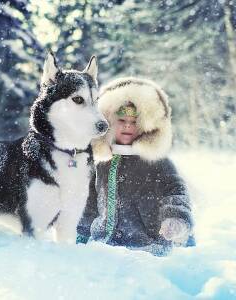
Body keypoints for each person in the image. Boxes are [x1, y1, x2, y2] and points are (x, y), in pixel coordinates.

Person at [77, 77, 195, 256]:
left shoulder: (155, 160)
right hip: (104, 248)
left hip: (147, 248)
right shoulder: (101, 161)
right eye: (121, 120)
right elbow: (91, 201)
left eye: (134, 122)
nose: (127, 125)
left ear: (146, 125)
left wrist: (175, 218)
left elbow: (175, 191)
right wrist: (81, 234)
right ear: (108, 121)